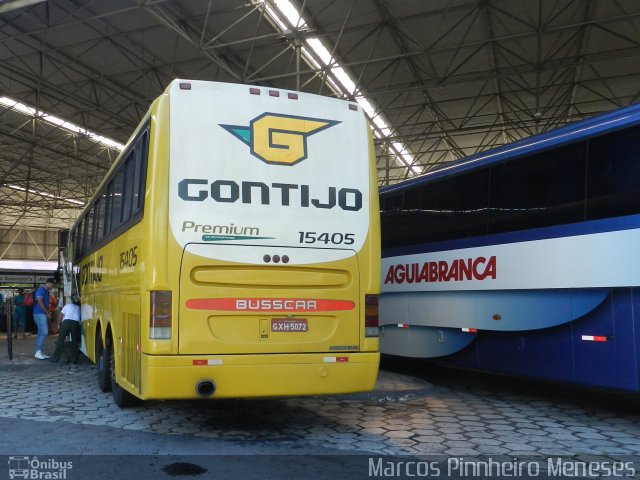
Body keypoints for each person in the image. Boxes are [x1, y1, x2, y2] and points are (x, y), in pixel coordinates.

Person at [50, 294, 81, 364]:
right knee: (74, 342)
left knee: (60, 340)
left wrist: (59, 325)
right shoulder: (79, 308)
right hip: (75, 323)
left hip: (66, 322)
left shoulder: (67, 306)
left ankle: (56, 358)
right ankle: (74, 360)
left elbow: (60, 315)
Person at [33, 278, 55, 360]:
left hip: (40, 314)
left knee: (40, 333)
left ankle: (38, 351)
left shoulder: (46, 291)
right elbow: (39, 301)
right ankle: (38, 352)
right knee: (44, 332)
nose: (52, 287)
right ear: (48, 283)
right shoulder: (41, 289)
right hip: (39, 314)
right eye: (52, 285)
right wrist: (47, 313)